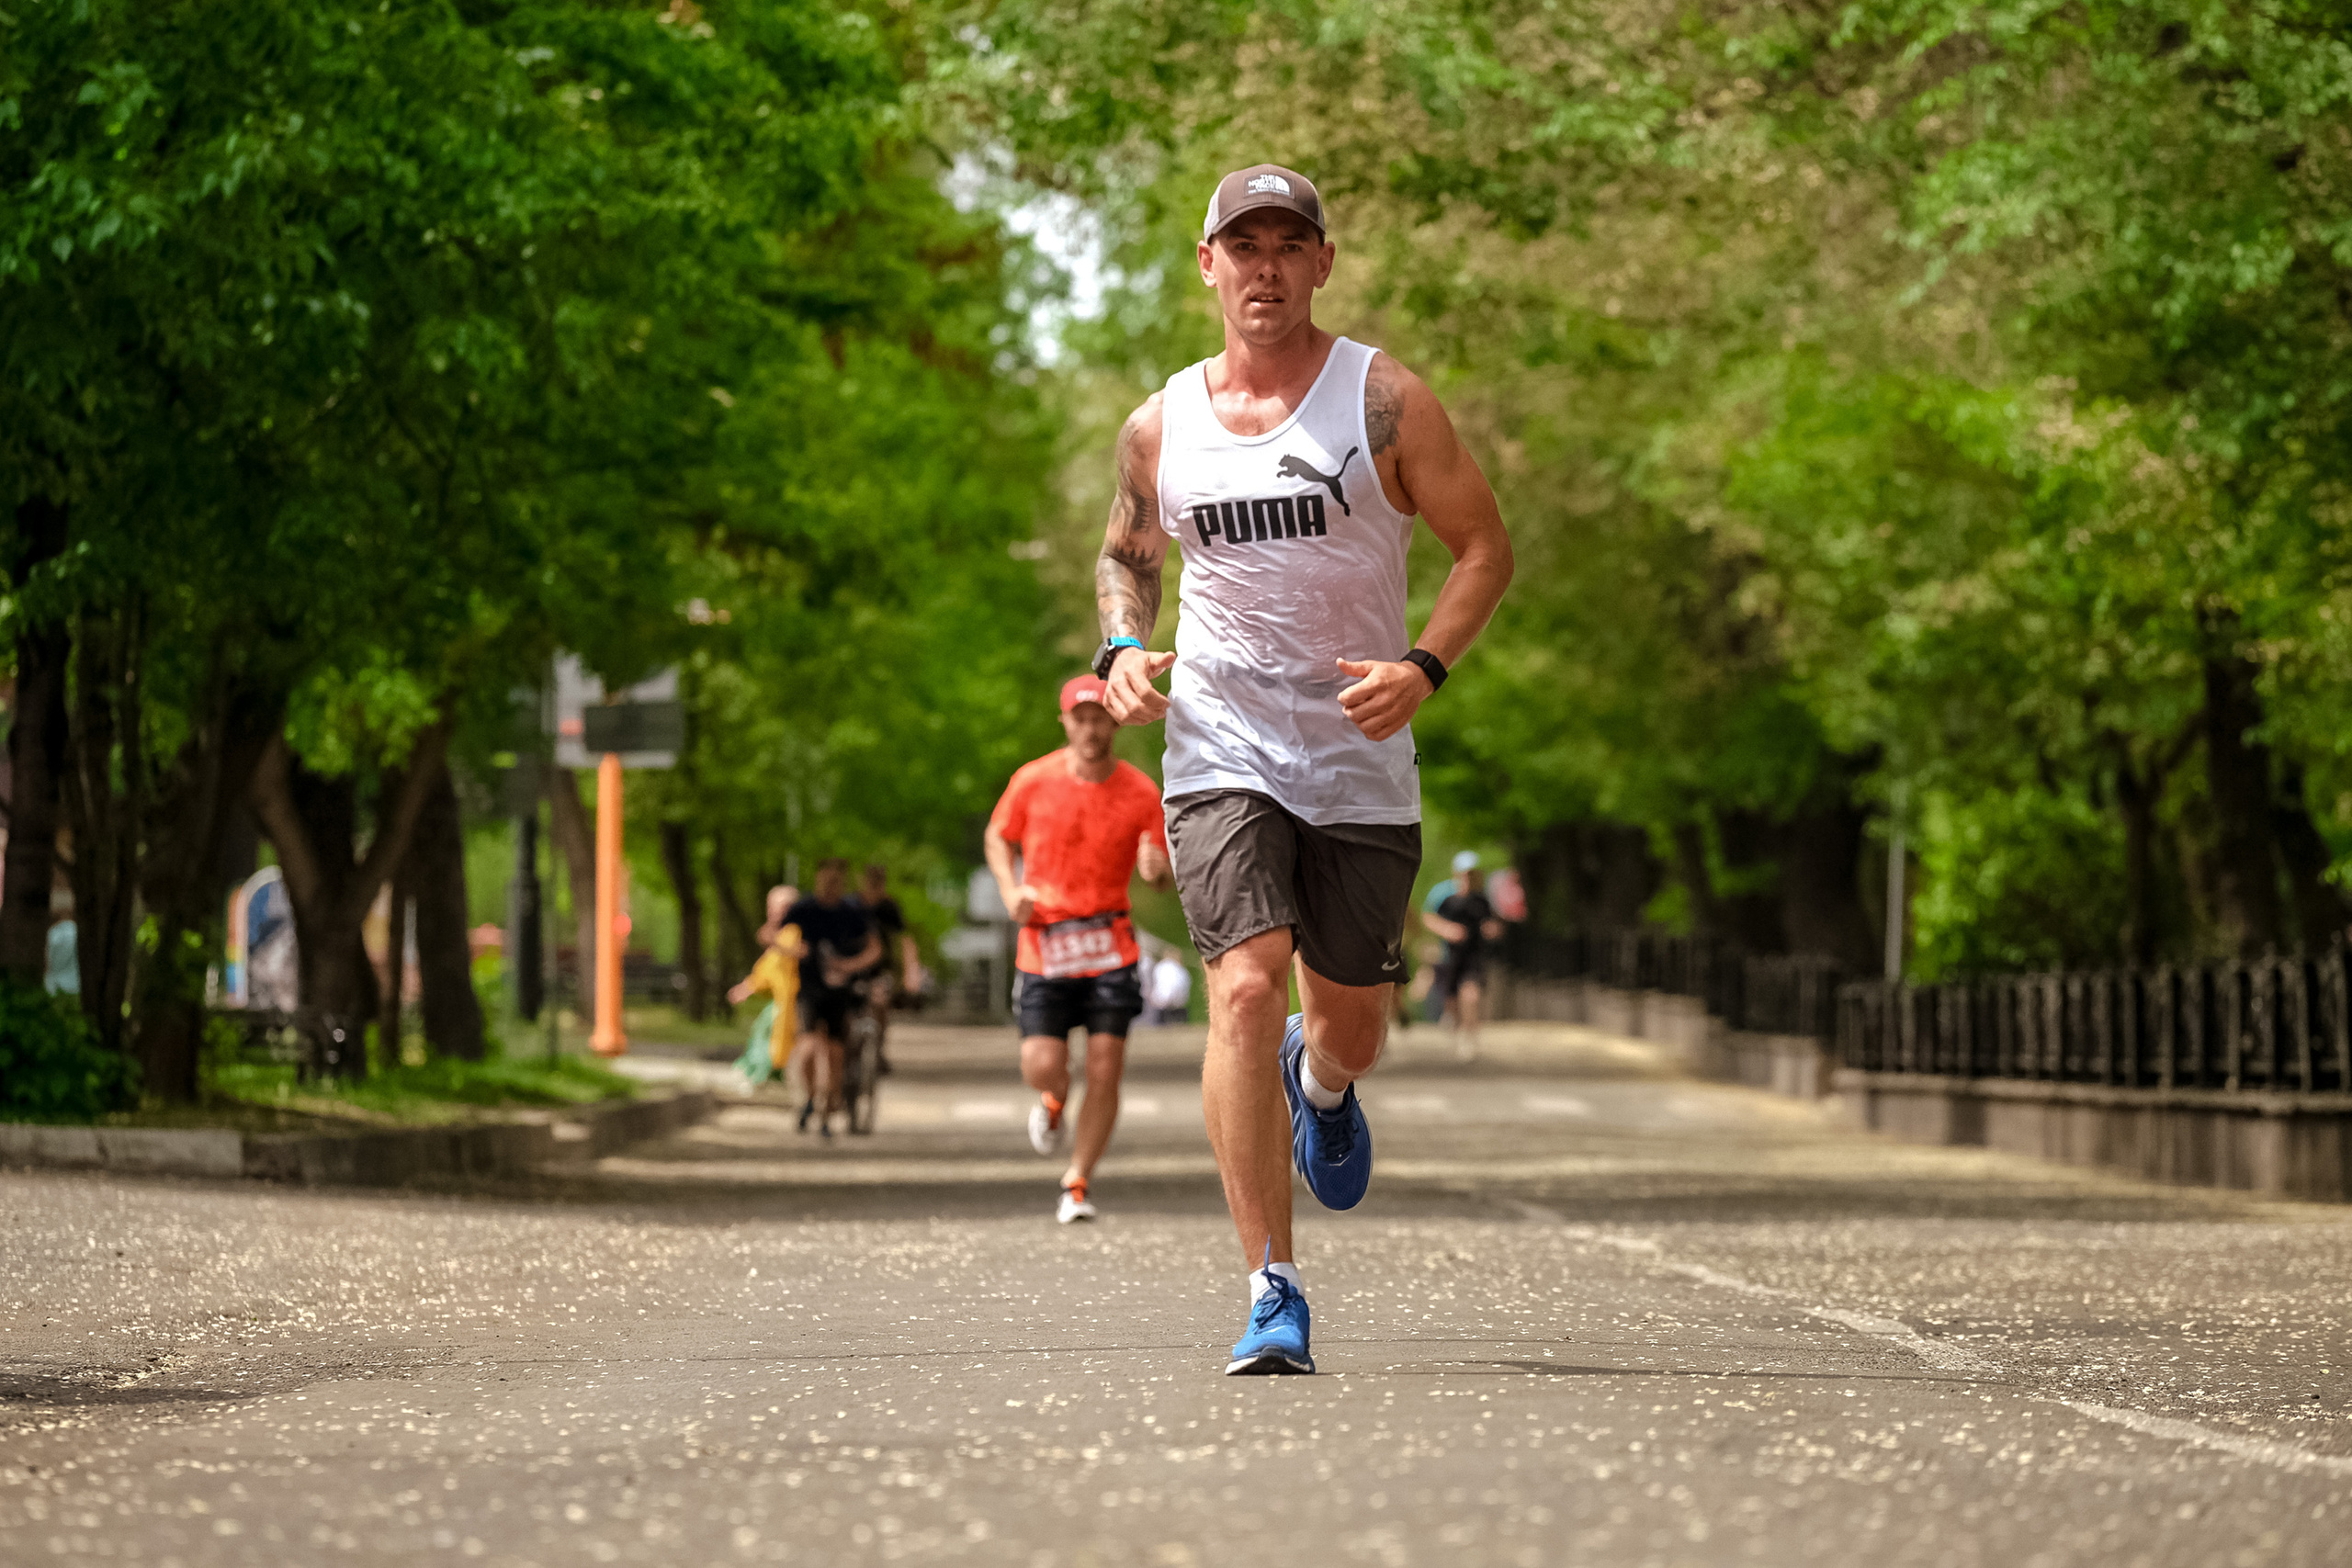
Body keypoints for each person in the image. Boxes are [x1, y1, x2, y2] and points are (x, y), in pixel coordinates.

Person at [1092, 164, 1513, 1373]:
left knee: (1352, 1024)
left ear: (1321, 261)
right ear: (1208, 263)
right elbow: (1125, 554)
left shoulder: (1383, 397)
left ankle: (1324, 1087)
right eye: (1244, 244)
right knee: (1242, 983)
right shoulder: (1159, 424)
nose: (1265, 265)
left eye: (1289, 243)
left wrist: (1424, 666)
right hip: (1220, 743)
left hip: (1360, 753)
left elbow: (1483, 544)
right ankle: (1272, 1282)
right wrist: (1122, 646)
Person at [984, 673, 1173, 1224]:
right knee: (1042, 1064)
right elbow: (999, 835)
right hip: (1044, 942)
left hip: (1110, 943)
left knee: (1106, 1066)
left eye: (1101, 719)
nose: (1091, 729)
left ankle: (1078, 1181)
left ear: (1116, 722)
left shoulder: (1141, 792)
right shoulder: (1033, 780)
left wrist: (1157, 870)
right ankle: (1053, 1099)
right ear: (1066, 722)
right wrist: (1009, 890)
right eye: (1081, 719)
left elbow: (1159, 870)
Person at [777, 860, 881, 1138]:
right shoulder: (804, 909)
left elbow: (874, 949)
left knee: (835, 1053)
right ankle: (810, 1097)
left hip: (840, 993)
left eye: (835, 881)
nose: (830, 886)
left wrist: (849, 966)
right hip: (809, 989)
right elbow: (769, 933)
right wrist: (791, 951)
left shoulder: (851, 913)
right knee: (809, 1048)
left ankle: (826, 1107)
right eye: (826, 880)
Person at [1422, 852, 1505, 1057]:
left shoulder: (1482, 897)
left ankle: (1470, 1036)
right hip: (1449, 956)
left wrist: (1492, 930)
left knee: (1471, 995)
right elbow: (1428, 917)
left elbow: (1494, 922)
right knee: (1451, 999)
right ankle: (1454, 1022)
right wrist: (1447, 930)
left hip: (1474, 956)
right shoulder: (1443, 893)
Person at [728, 886, 802, 1089]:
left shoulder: (796, 932)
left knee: (767, 1029)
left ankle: (761, 1073)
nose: (775, 912)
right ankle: (766, 1072)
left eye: (782, 907)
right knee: (763, 1028)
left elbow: (795, 955)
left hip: (796, 1000)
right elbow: (767, 970)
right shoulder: (781, 935)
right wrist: (747, 987)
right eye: (772, 907)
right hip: (781, 1000)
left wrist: (774, 942)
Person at [854, 863, 919, 1073]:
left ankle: (878, 1051)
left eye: (878, 880)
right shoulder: (852, 905)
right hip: (853, 966)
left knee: (880, 1004)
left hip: (881, 968)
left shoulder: (889, 907)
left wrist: (911, 971)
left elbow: (905, 938)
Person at [1146, 951, 1193, 1025]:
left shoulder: (1160, 966)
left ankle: (1156, 1024)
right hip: (1180, 1000)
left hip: (1161, 1000)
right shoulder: (1182, 970)